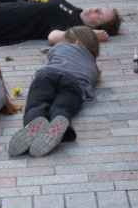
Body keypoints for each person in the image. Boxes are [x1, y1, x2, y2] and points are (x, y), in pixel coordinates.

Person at [9, 26, 100, 157]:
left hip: (47, 75)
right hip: (74, 84)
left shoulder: (61, 48)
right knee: (63, 107)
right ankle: (61, 124)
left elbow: (51, 52)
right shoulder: (94, 67)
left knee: (37, 103)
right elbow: (90, 82)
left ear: (76, 42)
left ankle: (34, 120)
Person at [0, 0, 121, 49]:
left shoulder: (73, 26)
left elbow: (53, 37)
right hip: (2, 9)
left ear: (96, 27)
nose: (94, 10)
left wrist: (90, 36)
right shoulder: (75, 10)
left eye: (99, 15)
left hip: (2, 23)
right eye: (98, 8)